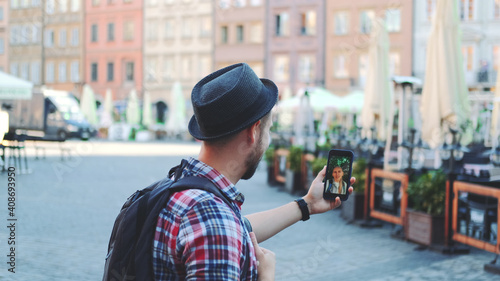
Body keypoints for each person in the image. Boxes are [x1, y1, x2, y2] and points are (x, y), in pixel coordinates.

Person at [153, 63, 354, 281]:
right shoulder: (215, 222)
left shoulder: (175, 187)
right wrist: (265, 277)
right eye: (268, 131)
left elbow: (240, 227)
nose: (267, 141)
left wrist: (307, 204)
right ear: (254, 132)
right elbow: (223, 228)